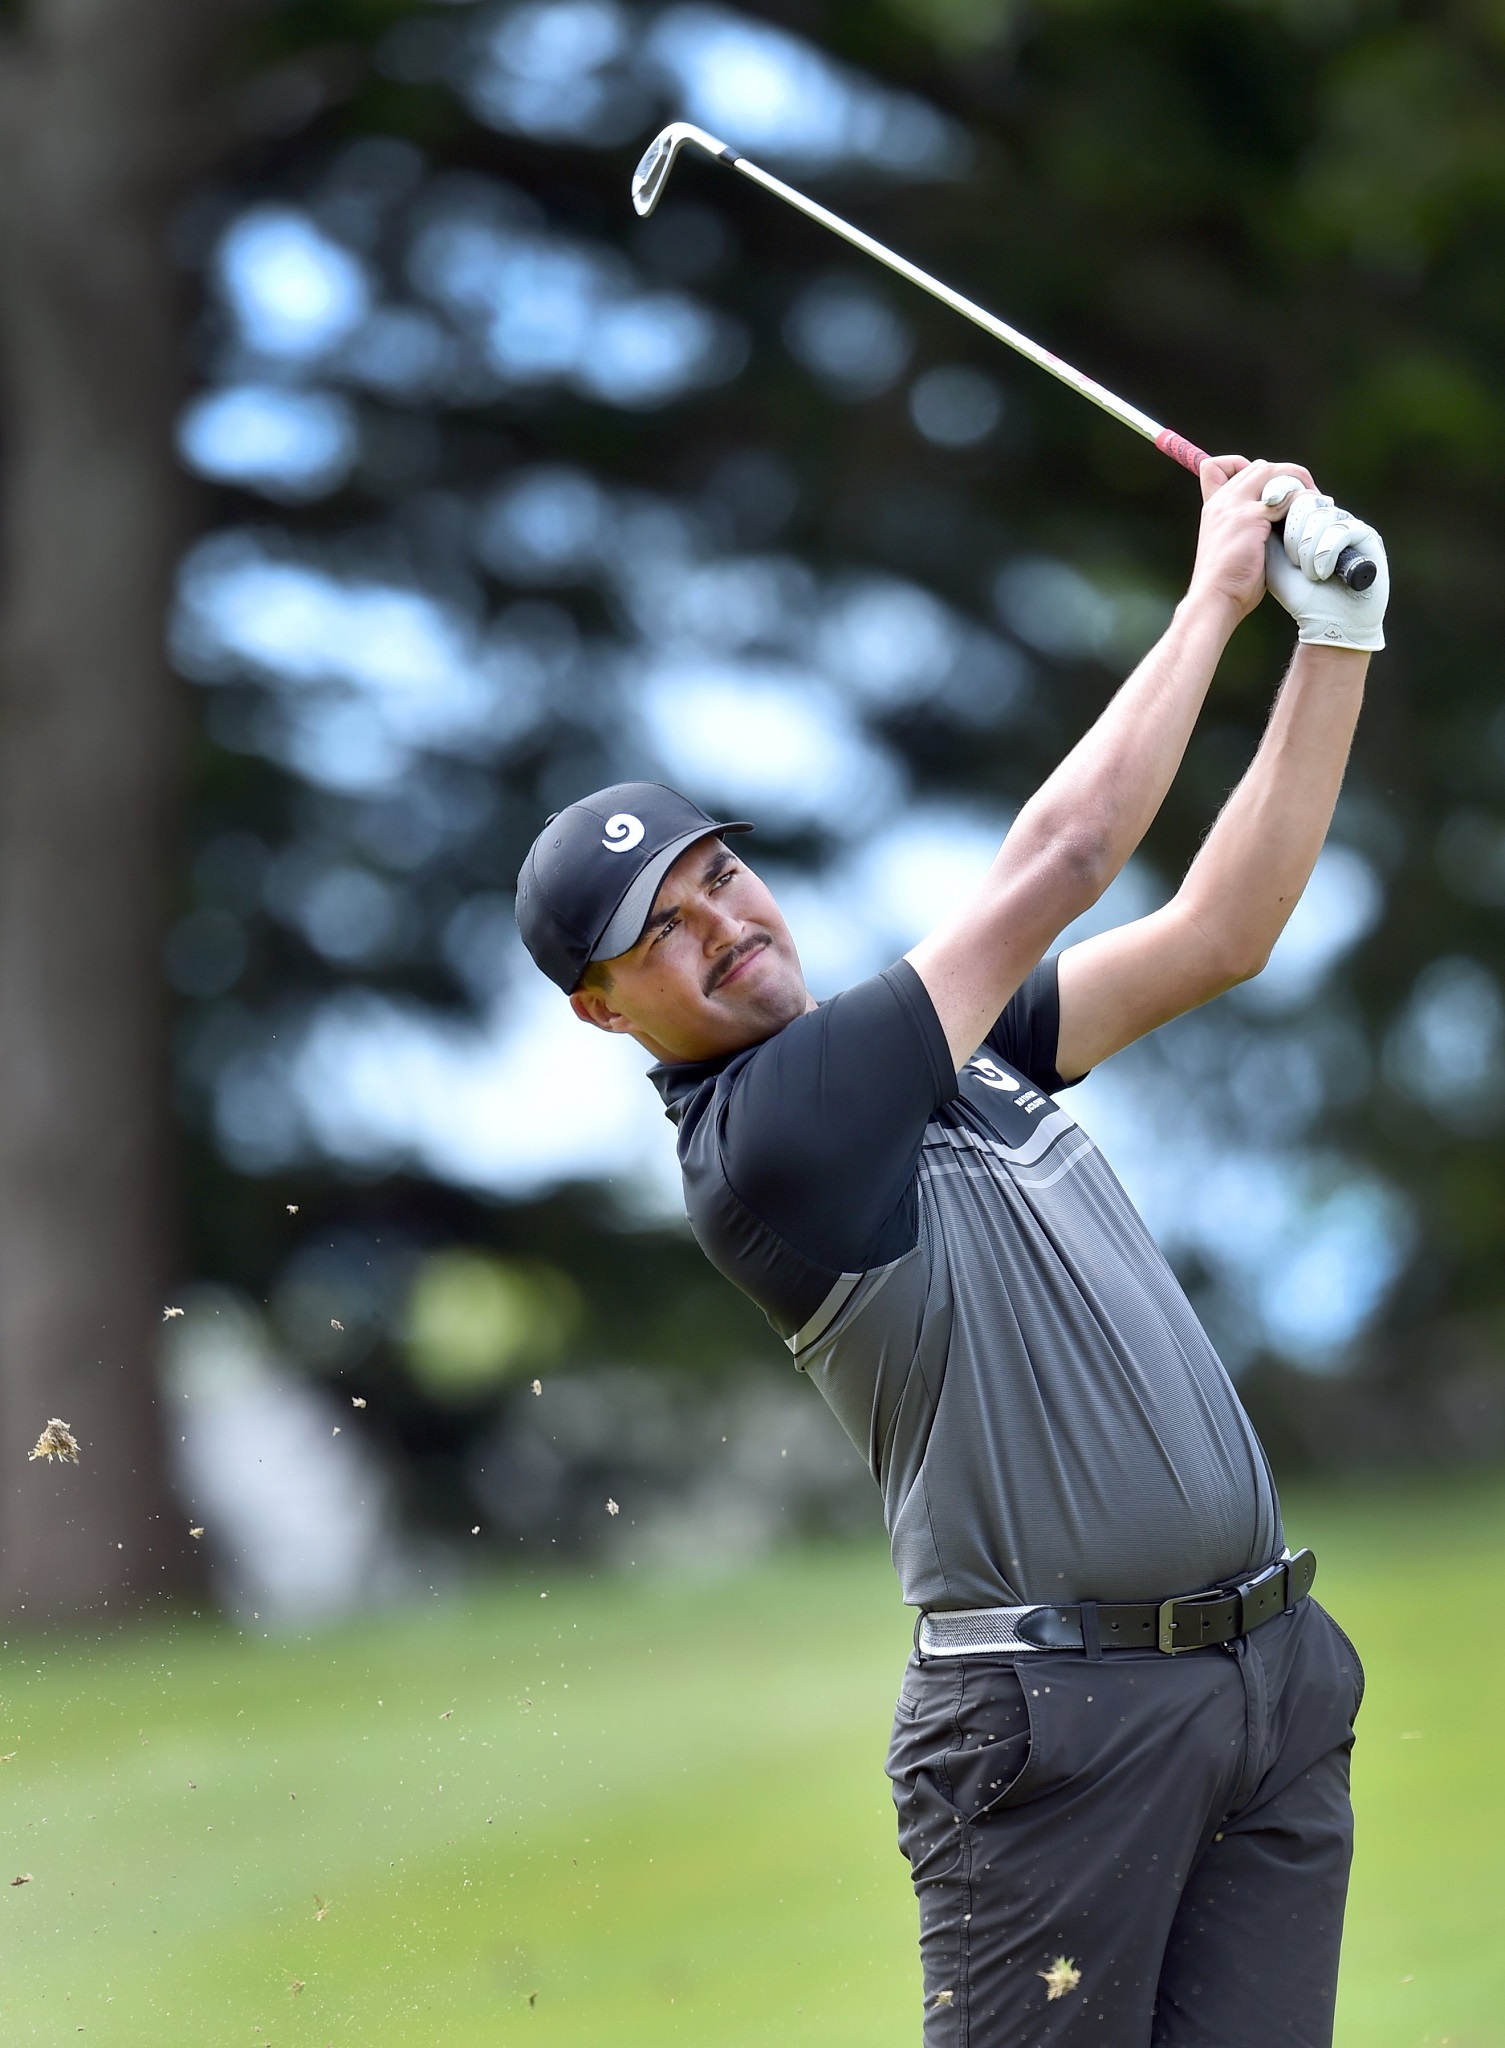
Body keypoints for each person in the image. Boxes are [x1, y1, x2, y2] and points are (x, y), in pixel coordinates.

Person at [514, 457, 1386, 2048]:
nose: (722, 925)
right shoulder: (771, 1130)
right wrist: (1214, 594)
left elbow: (1219, 931)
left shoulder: (969, 1061)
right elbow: (1059, 858)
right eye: (661, 934)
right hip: (1058, 1729)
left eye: (718, 874)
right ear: (604, 1009)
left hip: (1260, 1685)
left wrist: (1333, 646)